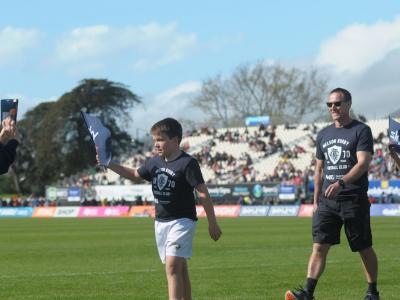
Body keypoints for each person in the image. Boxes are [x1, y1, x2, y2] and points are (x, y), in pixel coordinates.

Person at [98, 118, 222, 300]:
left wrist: (213, 223)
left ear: (175, 140)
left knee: (171, 266)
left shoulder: (188, 163)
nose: (156, 144)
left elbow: (203, 193)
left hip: (183, 222)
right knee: (180, 268)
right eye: (154, 140)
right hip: (161, 223)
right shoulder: (154, 162)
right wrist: (108, 163)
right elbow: (134, 175)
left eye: (160, 139)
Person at [285, 88, 379, 300]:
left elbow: (363, 163)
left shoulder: (361, 130)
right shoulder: (324, 134)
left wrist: (341, 182)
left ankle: (372, 292)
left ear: (348, 104)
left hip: (353, 198)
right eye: (329, 105)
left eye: (337, 103)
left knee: (363, 247)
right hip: (327, 202)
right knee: (319, 246)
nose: (333, 108)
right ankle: (308, 293)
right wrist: (315, 200)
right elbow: (319, 169)